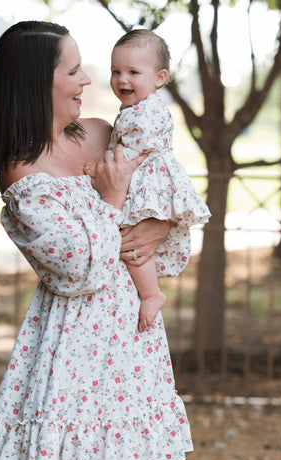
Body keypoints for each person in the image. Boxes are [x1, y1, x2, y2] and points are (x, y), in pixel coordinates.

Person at [0, 21, 193, 460]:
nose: (88, 80)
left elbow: (160, 184)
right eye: (73, 69)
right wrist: (112, 199)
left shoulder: (102, 133)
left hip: (133, 331)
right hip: (80, 345)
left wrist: (161, 223)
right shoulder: (23, 175)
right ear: (37, 82)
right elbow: (76, 270)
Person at [105, 30, 211, 332]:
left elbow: (130, 153)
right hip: (147, 181)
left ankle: (151, 295)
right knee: (133, 242)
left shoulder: (145, 112)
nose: (122, 79)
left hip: (149, 185)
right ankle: (150, 293)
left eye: (133, 72)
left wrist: (101, 166)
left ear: (159, 77)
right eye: (116, 71)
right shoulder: (136, 109)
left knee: (133, 242)